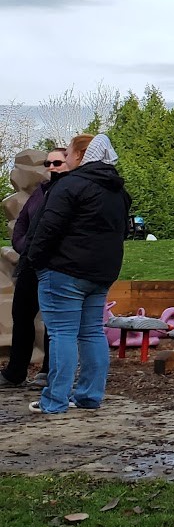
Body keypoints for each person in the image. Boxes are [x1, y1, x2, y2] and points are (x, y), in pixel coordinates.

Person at [25, 133, 131, 416]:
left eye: (70, 151)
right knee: (92, 332)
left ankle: (54, 400)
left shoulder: (70, 185)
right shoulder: (118, 192)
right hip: (100, 273)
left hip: (63, 270)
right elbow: (123, 231)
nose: (66, 157)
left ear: (81, 156)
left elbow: (48, 227)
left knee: (62, 334)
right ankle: (89, 395)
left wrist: (34, 260)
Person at [2, 147, 69, 388]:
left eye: (57, 163)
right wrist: (24, 246)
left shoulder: (70, 191)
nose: (51, 168)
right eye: (48, 163)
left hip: (56, 264)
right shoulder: (40, 192)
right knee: (21, 315)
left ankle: (48, 370)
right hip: (30, 263)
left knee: (53, 320)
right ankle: (15, 371)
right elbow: (22, 224)